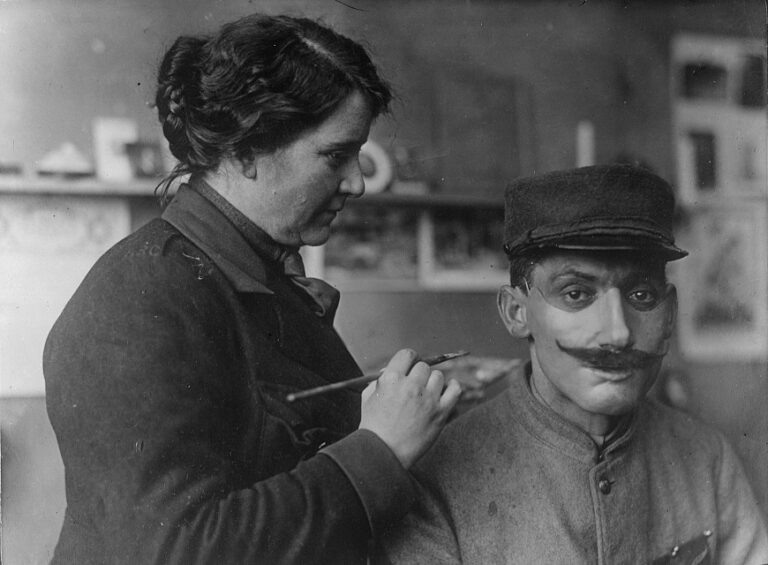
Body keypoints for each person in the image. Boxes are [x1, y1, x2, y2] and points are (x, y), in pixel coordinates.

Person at [43, 13, 461, 565]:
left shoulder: (255, 278)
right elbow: (172, 549)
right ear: (245, 152)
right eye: (336, 155)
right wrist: (379, 449)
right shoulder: (141, 298)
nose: (358, 182)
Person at [377, 164, 768, 564]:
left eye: (642, 296)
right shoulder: (436, 479)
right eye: (577, 294)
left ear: (670, 312)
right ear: (516, 312)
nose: (617, 333)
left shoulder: (708, 460)